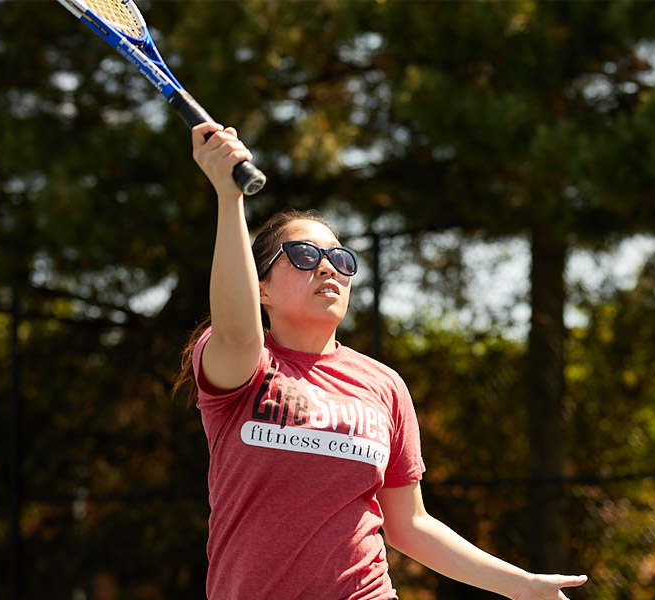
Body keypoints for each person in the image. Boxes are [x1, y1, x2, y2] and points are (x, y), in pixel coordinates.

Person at [174, 122, 589, 600]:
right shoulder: (242, 362)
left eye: (341, 259)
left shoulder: (384, 385)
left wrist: (523, 587)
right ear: (260, 287)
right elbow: (236, 329)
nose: (328, 267)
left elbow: (410, 525)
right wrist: (230, 200)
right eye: (305, 255)